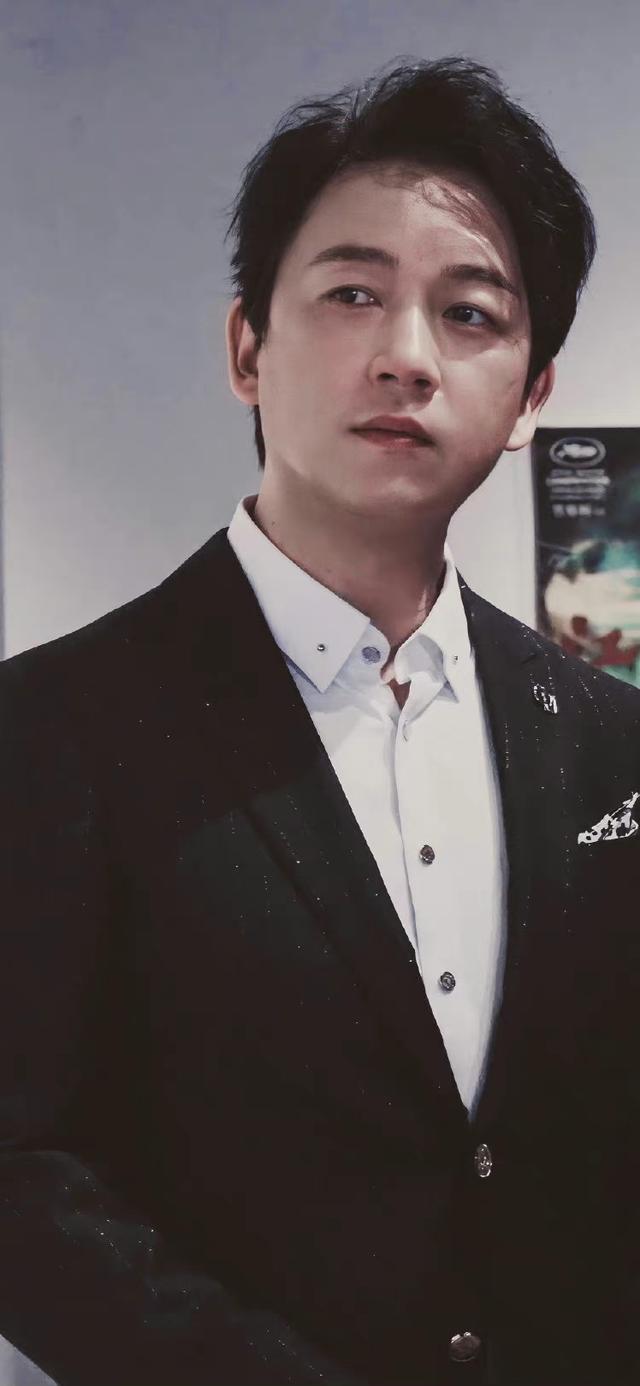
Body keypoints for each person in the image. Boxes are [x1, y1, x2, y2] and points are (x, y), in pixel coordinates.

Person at [1, 56, 638, 1386]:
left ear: (532, 397)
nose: (407, 354)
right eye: (353, 293)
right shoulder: (53, 726)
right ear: (248, 348)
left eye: (471, 313)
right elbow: (20, 1170)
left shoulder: (607, 736)